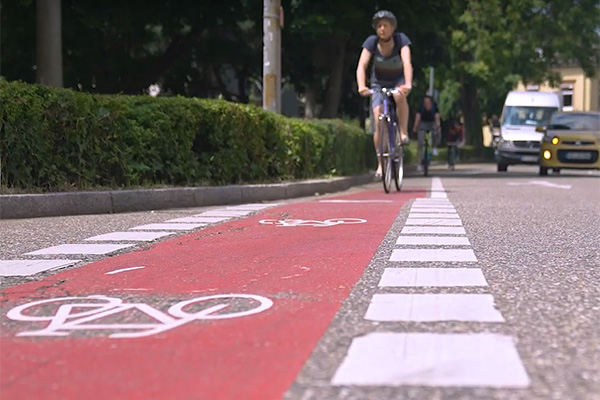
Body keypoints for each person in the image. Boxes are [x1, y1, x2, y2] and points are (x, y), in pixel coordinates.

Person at [356, 10, 413, 177]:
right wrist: (361, 86)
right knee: (378, 119)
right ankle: (381, 164)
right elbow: (362, 66)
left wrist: (408, 83)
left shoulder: (401, 40)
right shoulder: (371, 42)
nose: (382, 29)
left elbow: (407, 62)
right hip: (378, 83)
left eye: (385, 25)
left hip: (397, 81)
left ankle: (403, 132)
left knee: (398, 95)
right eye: (379, 26)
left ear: (392, 28)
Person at [412, 95, 441, 171]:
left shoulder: (434, 107)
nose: (426, 103)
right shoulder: (421, 108)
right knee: (420, 143)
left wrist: (438, 127)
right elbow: (417, 118)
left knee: (435, 132)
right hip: (423, 123)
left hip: (432, 123)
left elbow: (437, 117)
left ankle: (434, 147)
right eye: (425, 102)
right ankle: (419, 163)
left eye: (428, 102)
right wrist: (415, 127)